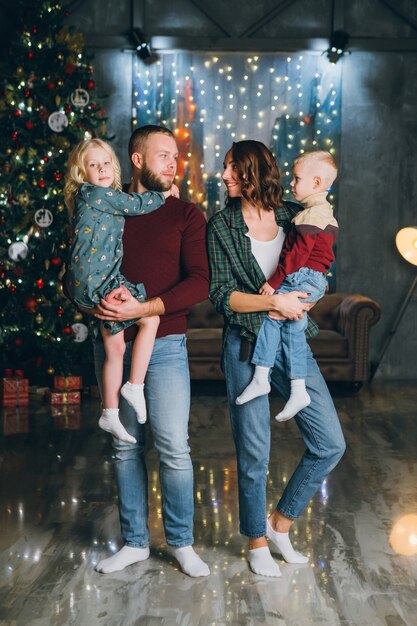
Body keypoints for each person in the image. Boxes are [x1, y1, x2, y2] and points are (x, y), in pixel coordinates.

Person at [207, 140, 345, 577]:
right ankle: (256, 541)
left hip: (293, 342)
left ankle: (280, 524)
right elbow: (220, 296)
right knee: (254, 452)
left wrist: (297, 301)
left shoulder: (295, 213)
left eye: (232, 169)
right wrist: (273, 304)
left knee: (330, 444)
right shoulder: (220, 226)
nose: (224, 176)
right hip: (245, 345)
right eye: (224, 169)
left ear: (255, 172)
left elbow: (319, 265)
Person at [80, 125, 210, 578]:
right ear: (137, 160)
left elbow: (200, 281)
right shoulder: (105, 206)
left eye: (175, 156)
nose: (173, 163)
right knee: (124, 447)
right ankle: (134, 542)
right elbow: (78, 262)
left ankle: (181, 542)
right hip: (115, 341)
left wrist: (147, 307)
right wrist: (91, 300)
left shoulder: (187, 215)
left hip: (167, 344)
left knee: (174, 447)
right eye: (163, 155)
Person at [64, 138, 165, 444]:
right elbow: (137, 205)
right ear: (82, 174)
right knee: (150, 319)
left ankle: (110, 411)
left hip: (91, 279)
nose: (102, 169)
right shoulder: (95, 193)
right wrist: (164, 194)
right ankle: (134, 385)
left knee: (116, 348)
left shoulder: (94, 197)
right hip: (96, 280)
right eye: (93, 165)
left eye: (106, 162)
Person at [236, 150, 338, 422]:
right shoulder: (322, 212)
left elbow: (296, 257)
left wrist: (274, 282)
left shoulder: (307, 217)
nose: (291, 184)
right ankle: (298, 388)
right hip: (314, 278)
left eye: (296, 178)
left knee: (271, 316)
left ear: (316, 183)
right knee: (294, 327)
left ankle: (260, 377)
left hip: (302, 276)